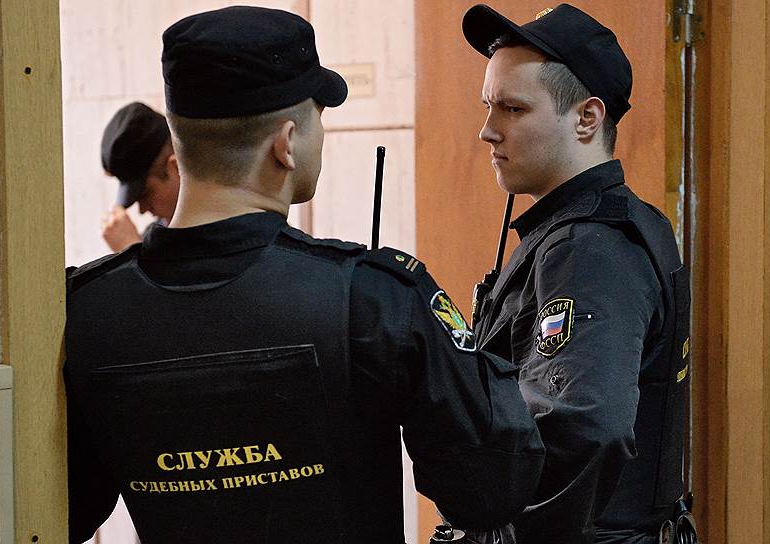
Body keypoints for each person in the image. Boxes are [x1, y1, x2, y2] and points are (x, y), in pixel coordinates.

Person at [64, 6, 543, 544]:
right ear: (287, 142)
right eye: (320, 116)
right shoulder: (375, 298)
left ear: (180, 144)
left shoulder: (82, 311)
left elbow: (64, 510)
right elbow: (489, 488)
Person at [462, 4, 692, 544]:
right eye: (489, 106)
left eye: (513, 109)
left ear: (587, 118)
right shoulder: (614, 221)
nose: (488, 131)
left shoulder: (590, 248)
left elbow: (588, 426)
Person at [99, 102, 181, 251]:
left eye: (145, 193)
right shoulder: (154, 237)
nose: (142, 210)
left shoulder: (221, 231)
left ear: (175, 168)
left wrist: (130, 250)